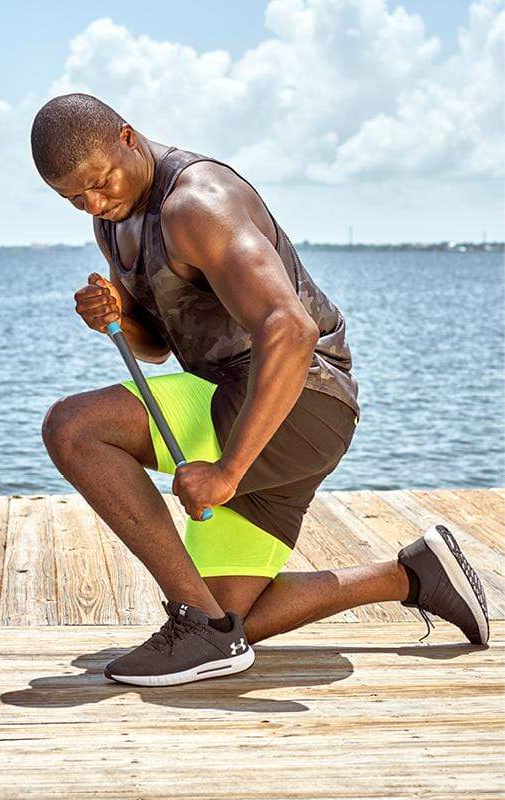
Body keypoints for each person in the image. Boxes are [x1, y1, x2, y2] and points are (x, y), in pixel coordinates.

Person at [31, 94, 490, 687]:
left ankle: (196, 628)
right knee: (228, 615)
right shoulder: (114, 219)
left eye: (99, 183)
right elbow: (157, 347)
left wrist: (228, 472)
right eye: (74, 199)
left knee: (74, 428)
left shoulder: (196, 204)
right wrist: (119, 314)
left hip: (298, 400)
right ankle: (412, 576)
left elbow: (291, 328)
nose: (94, 203)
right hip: (269, 410)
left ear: (127, 137)